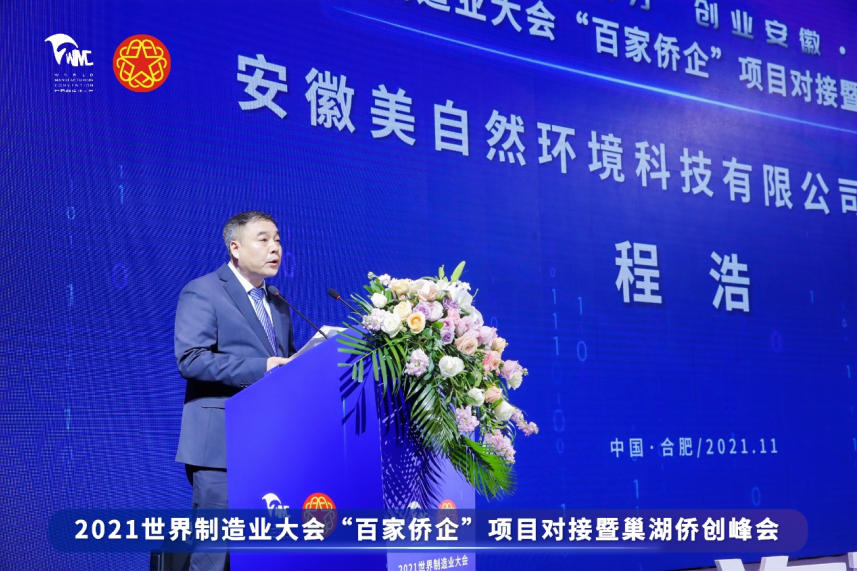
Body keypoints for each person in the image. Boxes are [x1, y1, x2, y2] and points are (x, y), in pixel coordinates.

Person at [174, 211, 296, 571]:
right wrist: (263, 367)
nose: (275, 248)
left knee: (263, 552)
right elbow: (191, 360)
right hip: (220, 446)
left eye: (278, 240)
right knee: (214, 554)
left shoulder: (278, 303)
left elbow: (285, 367)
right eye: (264, 239)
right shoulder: (203, 291)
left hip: (270, 443)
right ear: (235, 248)